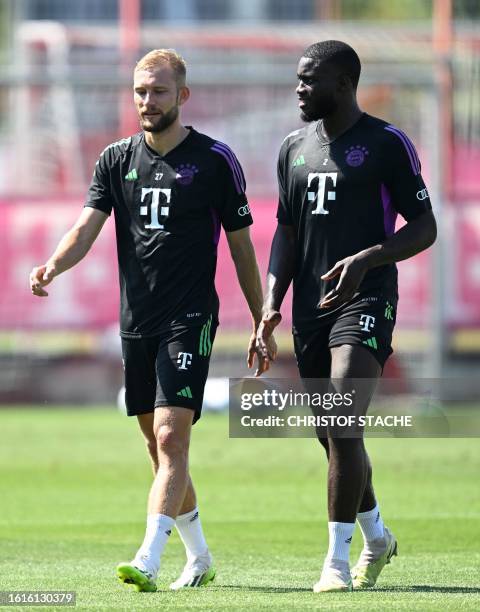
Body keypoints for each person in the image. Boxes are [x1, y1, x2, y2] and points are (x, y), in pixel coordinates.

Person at [30, 48, 276, 593]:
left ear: (182, 96)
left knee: (170, 438)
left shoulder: (215, 161)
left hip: (189, 316)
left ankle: (148, 558)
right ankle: (201, 557)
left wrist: (262, 319)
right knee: (156, 444)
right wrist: (53, 263)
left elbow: (240, 249)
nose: (147, 100)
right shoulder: (115, 160)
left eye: (159, 91)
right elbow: (86, 228)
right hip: (135, 319)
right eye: (141, 90)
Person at [257, 40, 436, 592]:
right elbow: (286, 232)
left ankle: (336, 562)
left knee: (341, 414)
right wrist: (270, 303)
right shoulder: (292, 147)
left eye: (310, 80)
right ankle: (377, 536)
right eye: (297, 79)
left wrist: (368, 259)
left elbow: (424, 226)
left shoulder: (386, 144)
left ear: (342, 84)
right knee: (334, 434)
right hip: (310, 309)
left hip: (367, 297)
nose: (299, 89)